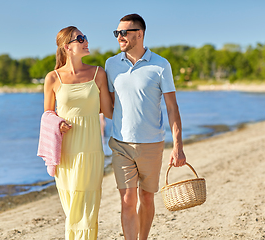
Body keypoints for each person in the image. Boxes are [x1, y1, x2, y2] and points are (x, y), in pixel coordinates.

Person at [105, 14, 186, 240]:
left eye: (124, 32)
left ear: (139, 34)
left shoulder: (161, 65)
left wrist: (177, 146)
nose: (119, 37)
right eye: (117, 33)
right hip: (120, 143)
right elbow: (109, 104)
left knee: (147, 198)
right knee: (127, 199)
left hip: (152, 144)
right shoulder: (111, 65)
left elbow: (172, 107)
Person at [43, 26, 112, 239]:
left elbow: (108, 110)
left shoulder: (99, 73)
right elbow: (47, 114)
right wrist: (57, 123)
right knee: (71, 204)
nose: (85, 41)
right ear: (67, 47)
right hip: (66, 152)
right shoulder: (53, 78)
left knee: (88, 205)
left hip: (91, 149)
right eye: (80, 38)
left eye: (85, 37)